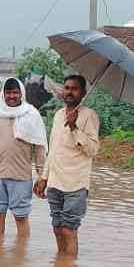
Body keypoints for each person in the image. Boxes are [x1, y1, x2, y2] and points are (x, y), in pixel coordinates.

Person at [0, 78, 48, 237]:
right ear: (3, 94)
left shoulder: (31, 114)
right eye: (8, 93)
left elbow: (40, 148)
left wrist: (42, 176)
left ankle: (20, 256)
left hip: (20, 176)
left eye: (15, 93)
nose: (12, 96)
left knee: (21, 218)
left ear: (21, 94)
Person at [35, 74, 100, 256]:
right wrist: (43, 177)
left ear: (83, 92)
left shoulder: (89, 116)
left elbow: (93, 150)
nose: (69, 92)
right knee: (57, 228)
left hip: (75, 184)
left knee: (69, 230)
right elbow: (53, 149)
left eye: (74, 88)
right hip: (55, 182)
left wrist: (74, 128)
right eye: (67, 88)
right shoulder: (57, 116)